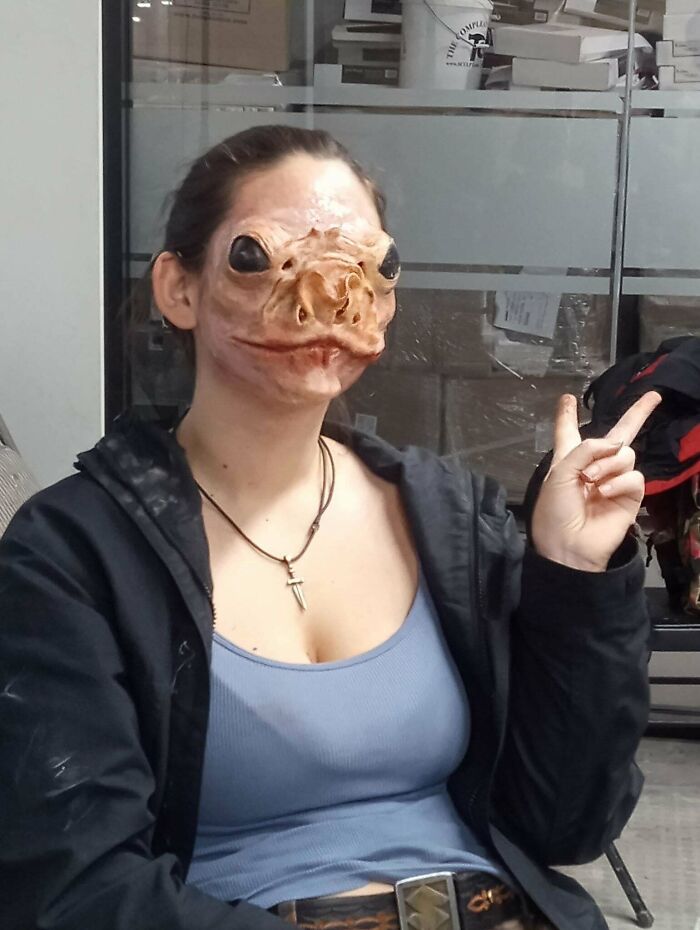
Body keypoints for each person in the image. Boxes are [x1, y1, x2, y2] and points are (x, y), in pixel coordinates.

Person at [0, 126, 660, 930]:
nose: (329, 295)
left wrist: (573, 577)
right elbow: (78, 892)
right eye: (256, 257)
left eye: (372, 267)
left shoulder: (449, 518)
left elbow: (569, 822)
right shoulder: (73, 553)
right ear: (179, 287)